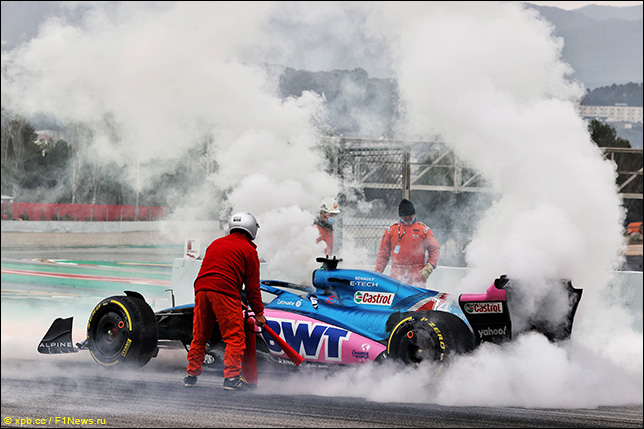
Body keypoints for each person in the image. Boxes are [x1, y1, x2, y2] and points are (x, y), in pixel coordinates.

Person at [183, 211, 267, 391]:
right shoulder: (249, 251)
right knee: (235, 337)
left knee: (200, 336)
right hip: (225, 291)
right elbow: (253, 288)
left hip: (201, 289)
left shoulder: (215, 243)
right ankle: (232, 379)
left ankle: (191, 375)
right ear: (252, 228)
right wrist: (259, 313)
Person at [374, 199, 440, 287]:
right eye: (405, 216)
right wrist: (378, 272)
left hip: (417, 275)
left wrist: (430, 266)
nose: (408, 218)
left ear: (414, 214)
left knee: (416, 295)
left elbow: (434, 249)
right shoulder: (391, 231)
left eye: (410, 216)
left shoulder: (423, 230)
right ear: (400, 216)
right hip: (396, 274)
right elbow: (383, 254)